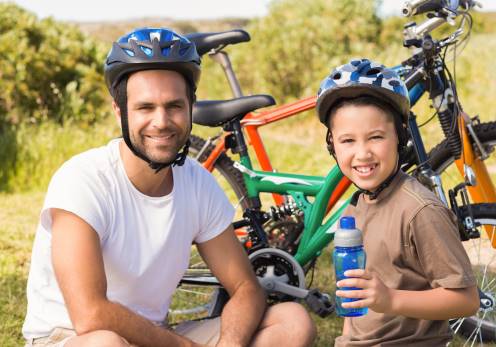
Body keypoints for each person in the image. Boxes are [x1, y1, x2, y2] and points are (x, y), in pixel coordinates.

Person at [22, 27, 316, 347]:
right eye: (145, 108)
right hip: (71, 337)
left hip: (154, 336)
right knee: (105, 343)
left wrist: (230, 343)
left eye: (174, 106)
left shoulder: (197, 183)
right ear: (120, 111)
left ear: (191, 107)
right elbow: (90, 314)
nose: (161, 121)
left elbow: (246, 288)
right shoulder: (82, 180)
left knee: (292, 321)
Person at [316, 58, 479, 346]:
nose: (362, 153)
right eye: (347, 141)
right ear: (332, 144)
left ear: (400, 137)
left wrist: (390, 299)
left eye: (376, 137)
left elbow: (466, 300)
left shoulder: (420, 211)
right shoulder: (358, 203)